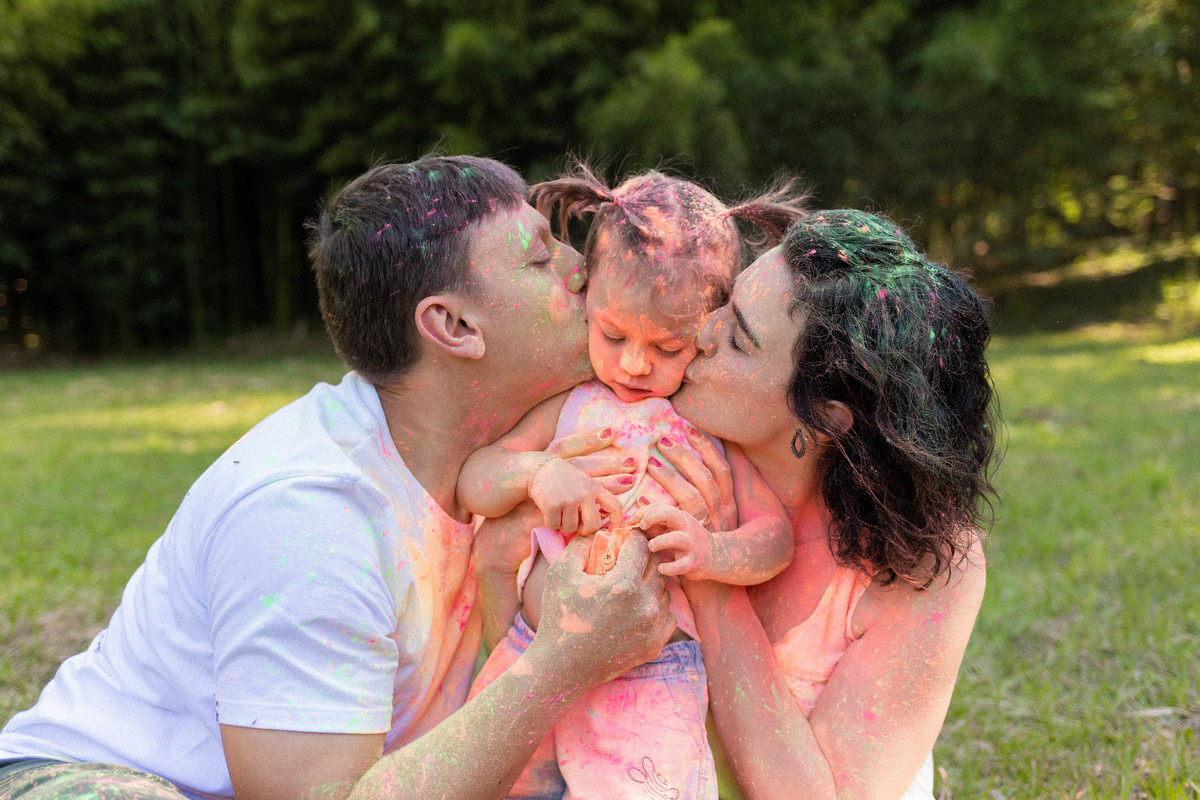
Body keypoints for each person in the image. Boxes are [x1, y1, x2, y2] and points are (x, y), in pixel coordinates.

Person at [0, 155, 678, 800]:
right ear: (452, 325)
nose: (578, 266)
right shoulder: (311, 512)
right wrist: (563, 661)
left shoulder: (514, 455)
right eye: (540, 256)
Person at [456, 163, 808, 800]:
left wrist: (711, 552)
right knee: (499, 785)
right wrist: (538, 473)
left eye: (668, 347)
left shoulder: (704, 424)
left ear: (712, 327)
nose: (635, 363)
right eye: (612, 334)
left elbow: (774, 536)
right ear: (587, 297)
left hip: (649, 671)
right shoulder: (569, 402)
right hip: (532, 649)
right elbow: (478, 480)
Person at [633, 209, 996, 799]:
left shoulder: (923, 562)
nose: (700, 333)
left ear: (824, 416)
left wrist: (712, 573)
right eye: (725, 303)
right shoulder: (661, 436)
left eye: (737, 340)